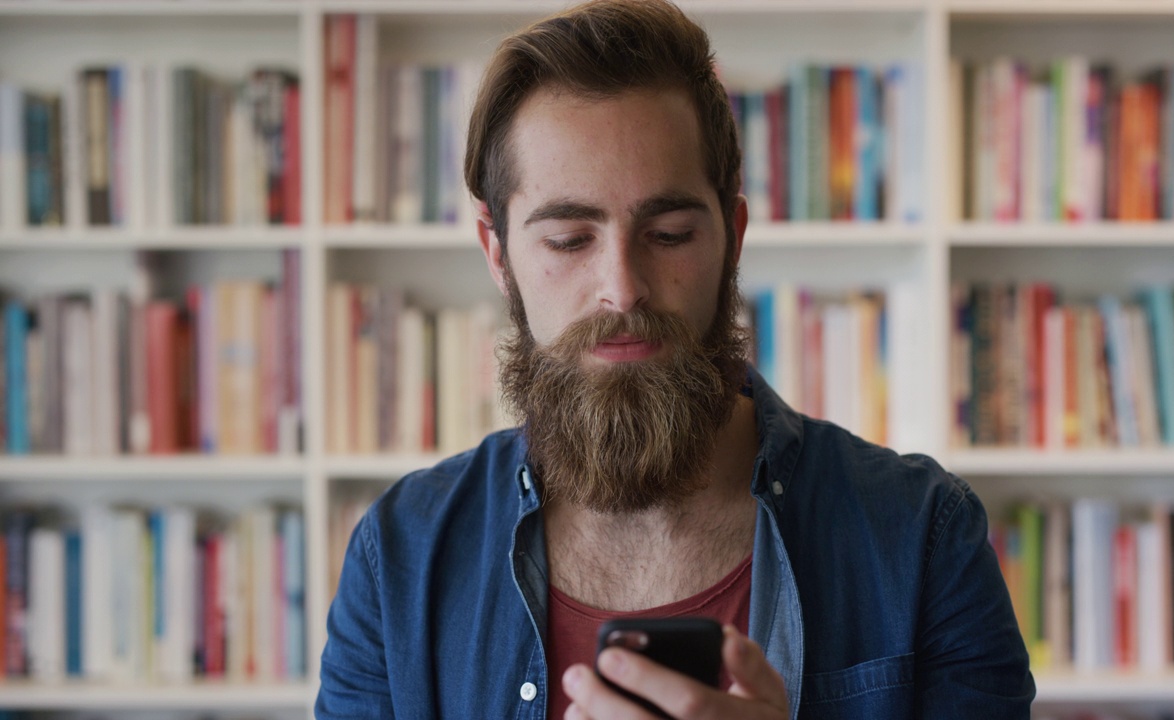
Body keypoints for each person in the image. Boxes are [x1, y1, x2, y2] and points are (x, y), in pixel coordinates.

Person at [316, 1, 1034, 718]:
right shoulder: (398, 562)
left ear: (733, 235)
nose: (623, 288)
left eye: (668, 233)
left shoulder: (923, 538)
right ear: (498, 255)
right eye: (569, 239)